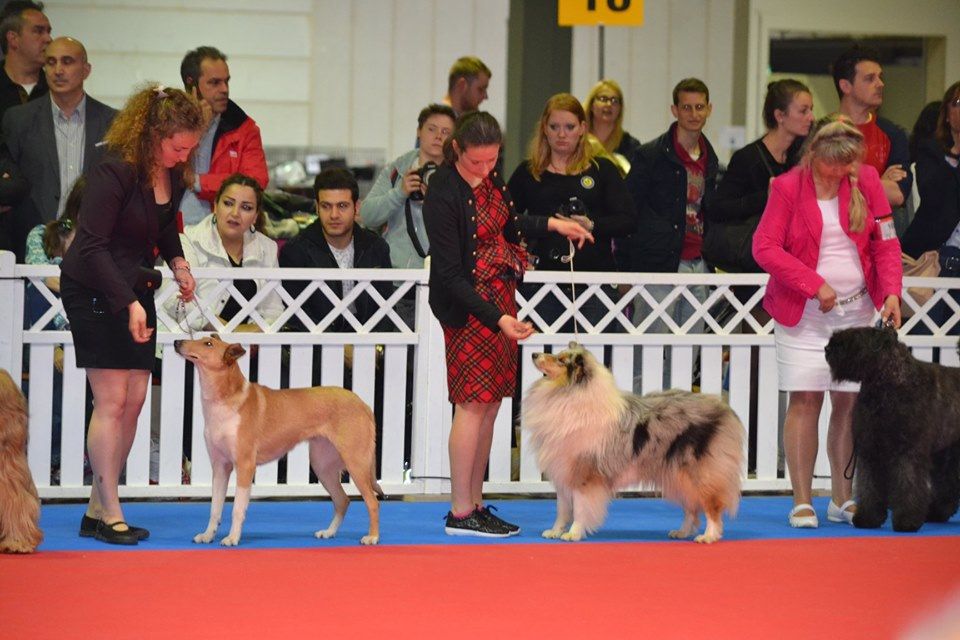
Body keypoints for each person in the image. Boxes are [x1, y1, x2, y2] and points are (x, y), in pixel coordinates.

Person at [423, 111, 593, 537]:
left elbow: (510, 226)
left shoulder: (492, 178)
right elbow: (449, 275)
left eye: (491, 162)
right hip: (470, 306)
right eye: (476, 163)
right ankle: (461, 512)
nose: (485, 171)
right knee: (471, 402)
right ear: (457, 150)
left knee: (493, 402)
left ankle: (476, 502)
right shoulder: (443, 193)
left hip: (501, 298)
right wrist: (497, 318)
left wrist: (554, 223)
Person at [59, 83, 202, 545]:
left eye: (190, 149)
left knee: (136, 399)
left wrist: (178, 263)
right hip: (96, 289)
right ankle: (109, 510)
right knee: (112, 400)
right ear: (153, 134)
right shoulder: (113, 172)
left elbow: (164, 228)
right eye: (178, 147)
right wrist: (128, 302)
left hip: (135, 286)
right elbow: (92, 247)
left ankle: (98, 508)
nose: (183, 157)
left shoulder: (169, 175)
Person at [752, 117, 902, 529]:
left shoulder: (866, 180)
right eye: (833, 165)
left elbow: (886, 242)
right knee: (805, 400)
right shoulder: (786, 187)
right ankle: (802, 501)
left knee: (848, 404)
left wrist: (891, 292)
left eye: (847, 165)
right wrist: (812, 283)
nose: (841, 173)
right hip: (803, 315)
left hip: (856, 313)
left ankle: (842, 498)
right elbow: (764, 247)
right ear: (813, 154)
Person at [507, 92, 634, 330]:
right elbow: (504, 219)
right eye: (554, 127)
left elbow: (628, 220)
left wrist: (593, 225)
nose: (562, 134)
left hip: (596, 283)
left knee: (594, 361)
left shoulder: (602, 170)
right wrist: (543, 226)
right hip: (542, 283)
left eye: (569, 126)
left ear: (582, 128)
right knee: (543, 359)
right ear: (544, 129)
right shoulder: (528, 173)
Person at [2, 36, 116, 260]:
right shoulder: (18, 120)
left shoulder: (112, 121)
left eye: (67, 61)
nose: (58, 70)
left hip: (94, 244)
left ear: (86, 69)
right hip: (33, 245)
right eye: (51, 62)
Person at [706, 79, 814, 275]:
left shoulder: (802, 158)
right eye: (803, 111)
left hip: (793, 260)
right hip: (755, 264)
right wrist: (767, 197)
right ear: (780, 115)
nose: (811, 117)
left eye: (811, 110)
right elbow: (718, 207)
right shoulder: (748, 158)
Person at [280, 167, 392, 332]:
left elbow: (387, 310)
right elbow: (297, 316)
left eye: (342, 206)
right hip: (315, 349)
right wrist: (336, 347)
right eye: (326, 206)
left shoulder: (376, 247)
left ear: (356, 207)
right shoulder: (295, 251)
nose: (334, 215)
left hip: (368, 346)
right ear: (317, 207)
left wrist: (374, 349)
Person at [169, 173, 284, 331]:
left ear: (256, 216)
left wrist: (255, 334)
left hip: (247, 346)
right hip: (192, 343)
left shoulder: (268, 247)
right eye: (228, 203)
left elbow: (274, 310)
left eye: (246, 207)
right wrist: (226, 330)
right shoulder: (187, 240)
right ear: (215, 206)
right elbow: (174, 301)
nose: (235, 213)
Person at [178, 46, 268, 226]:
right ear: (191, 84)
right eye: (214, 83)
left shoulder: (244, 128)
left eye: (226, 81)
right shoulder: (168, 123)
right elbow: (164, 174)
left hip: (224, 233)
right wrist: (197, 131)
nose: (225, 89)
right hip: (175, 234)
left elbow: (255, 183)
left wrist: (198, 182)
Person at [361, 104, 456, 269]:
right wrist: (399, 193)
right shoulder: (397, 170)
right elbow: (367, 216)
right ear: (419, 131)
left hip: (442, 275)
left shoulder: (459, 175)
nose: (439, 137)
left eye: (446, 132)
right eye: (432, 129)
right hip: (397, 274)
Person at [833, 46, 912, 214]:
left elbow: (897, 195)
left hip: (877, 234)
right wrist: (878, 181)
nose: (880, 84)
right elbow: (818, 188)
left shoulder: (894, 134)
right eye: (870, 78)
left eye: (880, 77)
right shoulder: (821, 134)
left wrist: (843, 179)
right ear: (846, 86)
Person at [901, 82, 960, 263]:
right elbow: (931, 195)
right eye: (957, 102)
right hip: (935, 252)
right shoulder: (931, 149)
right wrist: (955, 151)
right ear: (947, 115)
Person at [0, 1, 50, 121]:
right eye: (38, 31)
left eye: (49, 32)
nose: (48, 39)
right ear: (13, 39)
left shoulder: (58, 89)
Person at [583, 79, 641, 175]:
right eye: (603, 99)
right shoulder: (578, 140)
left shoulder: (630, 145)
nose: (609, 104)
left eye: (615, 101)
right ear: (592, 105)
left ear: (620, 109)